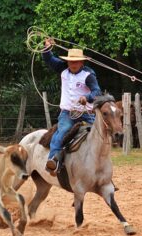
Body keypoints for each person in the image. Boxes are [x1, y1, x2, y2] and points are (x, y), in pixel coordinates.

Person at [42, 38, 101, 174]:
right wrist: (46, 48)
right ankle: (53, 162)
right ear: (67, 61)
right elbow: (49, 60)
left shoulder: (88, 75)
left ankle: (102, 167)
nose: (73, 64)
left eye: (76, 62)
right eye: (71, 61)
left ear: (81, 62)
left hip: (86, 113)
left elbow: (97, 91)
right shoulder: (63, 69)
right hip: (67, 113)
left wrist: (87, 98)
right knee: (61, 133)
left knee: (100, 134)